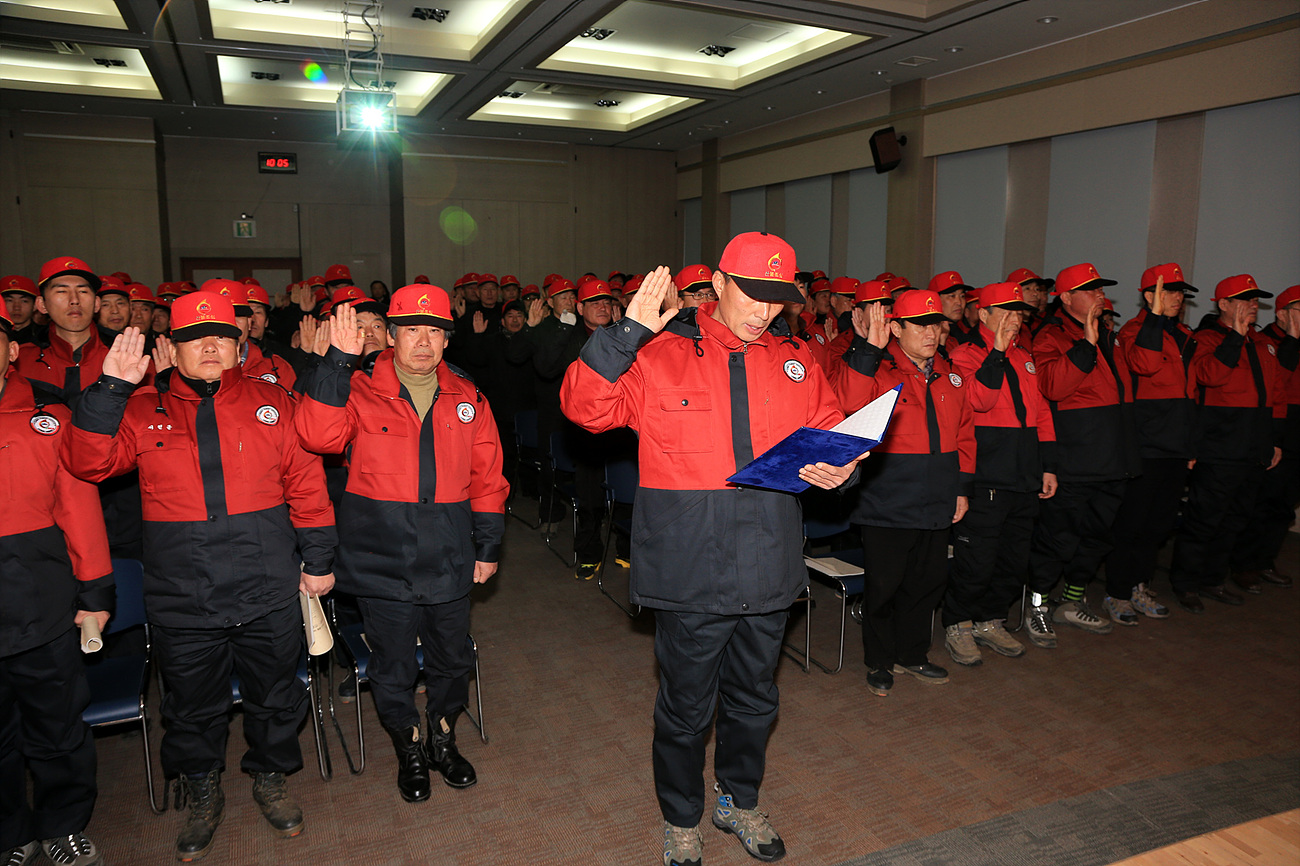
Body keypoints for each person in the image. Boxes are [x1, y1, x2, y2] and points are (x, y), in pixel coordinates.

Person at [561, 233, 863, 866]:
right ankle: (681, 816)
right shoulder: (658, 354)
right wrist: (623, 335)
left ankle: (738, 799)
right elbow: (584, 409)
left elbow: (835, 433)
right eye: (753, 295)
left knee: (756, 698)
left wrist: (844, 468)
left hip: (769, 556)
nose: (764, 312)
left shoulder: (796, 360)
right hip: (690, 560)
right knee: (686, 705)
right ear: (719, 285)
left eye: (778, 301)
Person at [62, 293, 337, 862]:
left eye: (221, 336)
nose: (210, 347)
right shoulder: (138, 408)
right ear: (175, 349)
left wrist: (318, 560)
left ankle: (270, 776)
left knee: (276, 696)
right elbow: (87, 463)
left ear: (239, 345)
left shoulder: (274, 403)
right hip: (183, 595)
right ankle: (202, 788)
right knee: (189, 707)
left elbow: (308, 487)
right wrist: (110, 389)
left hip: (266, 587)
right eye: (195, 337)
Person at [297, 288, 508, 802]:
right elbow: (318, 436)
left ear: (445, 338)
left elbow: (488, 478)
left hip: (449, 552)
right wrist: (336, 362)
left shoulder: (468, 396)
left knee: (451, 658)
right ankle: (408, 744)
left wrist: (488, 546)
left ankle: (442, 735)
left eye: (434, 330)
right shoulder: (356, 387)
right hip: (379, 555)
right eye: (411, 329)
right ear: (390, 336)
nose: (423, 342)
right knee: (392, 665)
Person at [1, 309, 114, 866]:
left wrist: (94, 594)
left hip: (40, 598)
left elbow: (79, 509)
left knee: (57, 724)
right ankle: (8, 832)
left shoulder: (47, 413)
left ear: (11, 351)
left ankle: (63, 823)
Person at [831, 290, 975, 695]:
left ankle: (912, 654)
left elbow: (965, 434)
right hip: (887, 497)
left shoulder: (949, 373)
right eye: (921, 325)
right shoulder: (879, 368)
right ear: (896, 328)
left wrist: (962, 488)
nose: (932, 332)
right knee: (885, 585)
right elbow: (846, 403)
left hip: (937, 494)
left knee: (927, 582)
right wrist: (866, 351)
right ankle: (879, 659)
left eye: (936, 324)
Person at [1026, 263, 1140, 643]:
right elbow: (1053, 387)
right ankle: (1038, 606)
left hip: (1113, 458)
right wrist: (1086, 345)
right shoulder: (1050, 336)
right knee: (1058, 538)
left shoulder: (1111, 335)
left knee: (1096, 538)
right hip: (1075, 459)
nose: (1100, 296)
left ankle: (1072, 601)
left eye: (1101, 289)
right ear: (1066, 297)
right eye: (1091, 290)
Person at [943, 282, 1055, 666]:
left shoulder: (1025, 356)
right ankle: (959, 622)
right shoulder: (966, 354)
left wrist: (1048, 465)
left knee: (1013, 558)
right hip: (987, 472)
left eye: (1018, 311)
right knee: (978, 559)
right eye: (1004, 310)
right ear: (983, 314)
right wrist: (998, 352)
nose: (1014, 318)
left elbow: (1041, 411)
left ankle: (991, 620)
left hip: (1024, 471)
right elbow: (980, 399)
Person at [1169, 275, 1286, 611]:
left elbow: (1275, 395)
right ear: (1223, 305)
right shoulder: (1206, 339)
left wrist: (1274, 441)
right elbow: (1209, 376)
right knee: (1205, 518)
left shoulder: (1263, 344)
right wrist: (1234, 337)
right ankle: (1186, 583)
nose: (1252, 306)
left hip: (1254, 448)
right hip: (1219, 447)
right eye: (1244, 300)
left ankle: (1212, 579)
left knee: (1236, 518)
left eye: (1255, 300)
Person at [1104, 265, 1197, 624]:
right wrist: (1155, 318)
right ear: (1149, 297)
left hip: (1175, 445)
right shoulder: (1134, 331)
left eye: (1179, 293)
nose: (1177, 298)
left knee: (1158, 526)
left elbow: (1190, 393)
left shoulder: (1183, 334)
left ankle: (1138, 585)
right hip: (1145, 445)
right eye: (1169, 291)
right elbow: (1142, 364)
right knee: (1132, 524)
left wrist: (1190, 444)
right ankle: (1117, 593)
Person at [1236, 284, 1300, 588]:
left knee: (1285, 505)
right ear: (1283, 314)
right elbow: (1279, 382)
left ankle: (1264, 561)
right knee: (1263, 501)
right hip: (1277, 426)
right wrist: (1292, 340)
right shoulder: (1266, 342)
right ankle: (1245, 564)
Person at [2, 275, 41, 345]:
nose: (16, 307)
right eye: (9, 300)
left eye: (24, 301)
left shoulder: (46, 337)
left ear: (35, 305)